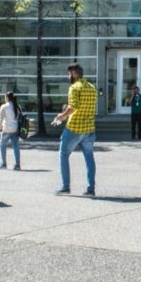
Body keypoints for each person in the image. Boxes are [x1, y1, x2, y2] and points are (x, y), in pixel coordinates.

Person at [53, 63, 97, 196]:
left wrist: (61, 117)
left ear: (74, 73)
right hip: (89, 128)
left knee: (63, 154)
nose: (69, 77)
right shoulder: (91, 87)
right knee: (89, 158)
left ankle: (65, 187)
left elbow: (73, 107)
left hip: (74, 128)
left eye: (69, 74)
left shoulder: (74, 88)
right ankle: (91, 189)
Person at [0, 91, 22, 170]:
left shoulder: (4, 107)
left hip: (6, 129)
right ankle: (17, 165)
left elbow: (0, 120)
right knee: (16, 147)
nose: (4, 98)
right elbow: (20, 118)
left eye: (5, 97)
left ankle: (4, 164)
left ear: (7, 98)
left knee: (3, 146)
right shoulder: (18, 107)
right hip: (15, 129)